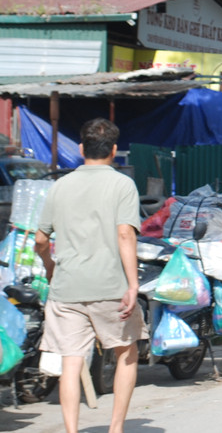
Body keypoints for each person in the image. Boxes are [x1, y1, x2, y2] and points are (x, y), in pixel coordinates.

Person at [35, 119, 145, 433]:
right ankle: (116, 428)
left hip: (67, 289)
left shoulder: (59, 186)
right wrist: (133, 284)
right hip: (111, 288)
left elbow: (40, 240)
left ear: (81, 148)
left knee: (71, 362)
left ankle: (71, 430)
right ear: (114, 150)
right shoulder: (123, 185)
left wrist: (50, 268)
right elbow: (125, 235)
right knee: (126, 352)